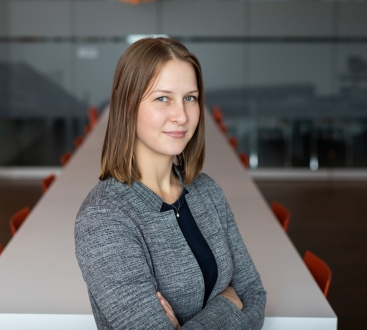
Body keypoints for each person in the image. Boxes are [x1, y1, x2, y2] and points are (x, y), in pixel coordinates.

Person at [75, 37, 266, 330]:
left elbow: (253, 294)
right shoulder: (104, 217)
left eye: (190, 97)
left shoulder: (208, 192)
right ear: (128, 105)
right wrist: (229, 305)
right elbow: (241, 301)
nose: (181, 116)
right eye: (163, 98)